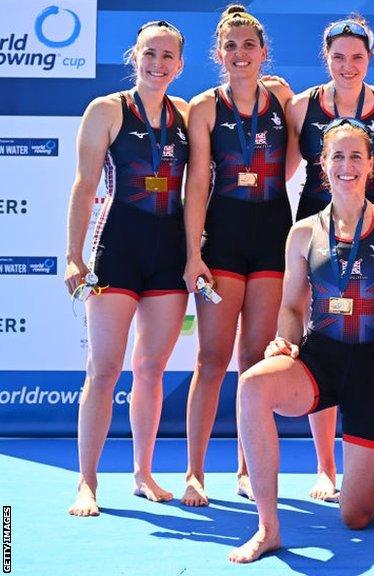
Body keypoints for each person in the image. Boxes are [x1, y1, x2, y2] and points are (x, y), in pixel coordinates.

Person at [227, 118, 374, 563]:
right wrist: (284, 342)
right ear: (323, 164)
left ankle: (371, 486)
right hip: (319, 359)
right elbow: (289, 307)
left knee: (355, 516)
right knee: (253, 385)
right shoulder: (303, 231)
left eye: (356, 156)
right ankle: (268, 526)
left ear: (371, 165)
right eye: (337, 156)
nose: (347, 165)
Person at [64, 20, 189, 517]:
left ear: (180, 65)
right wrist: (74, 254)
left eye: (167, 57)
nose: (157, 65)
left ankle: (143, 474)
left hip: (168, 255)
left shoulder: (186, 113)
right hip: (117, 248)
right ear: (133, 57)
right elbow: (83, 184)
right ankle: (87, 482)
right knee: (104, 369)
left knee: (151, 369)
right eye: (149, 55)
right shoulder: (107, 110)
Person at [287, 15, 374, 502]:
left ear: (369, 60)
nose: (347, 65)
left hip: (372, 230)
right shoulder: (300, 105)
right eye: (338, 56)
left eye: (357, 56)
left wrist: (361, 195)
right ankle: (324, 467)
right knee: (322, 341)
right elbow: (283, 171)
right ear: (327, 58)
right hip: (317, 232)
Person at [181, 4, 296, 507]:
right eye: (231, 45)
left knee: (254, 360)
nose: (240, 53)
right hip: (223, 238)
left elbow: (295, 158)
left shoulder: (283, 96)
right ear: (218, 54)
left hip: (273, 232)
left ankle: (248, 470)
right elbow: (197, 182)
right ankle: (195, 472)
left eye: (249, 45)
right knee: (211, 358)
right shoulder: (204, 107)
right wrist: (192, 254)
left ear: (264, 52)